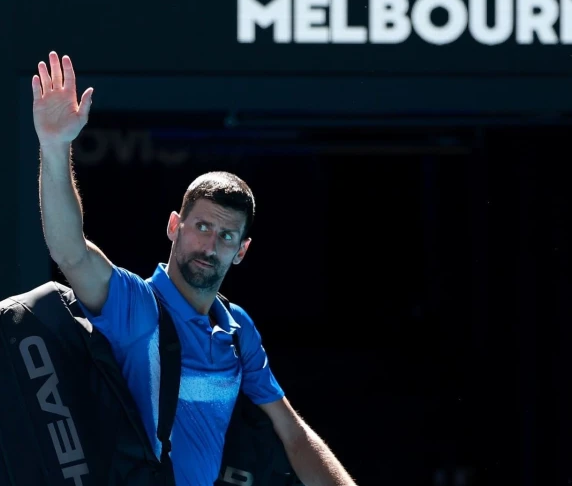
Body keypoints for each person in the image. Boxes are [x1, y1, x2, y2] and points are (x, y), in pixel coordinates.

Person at [32, 51, 356, 486]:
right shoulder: (135, 304)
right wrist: (55, 148)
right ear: (174, 227)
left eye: (225, 236)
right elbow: (69, 252)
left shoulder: (239, 331)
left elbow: (292, 434)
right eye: (201, 226)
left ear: (241, 250)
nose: (210, 245)